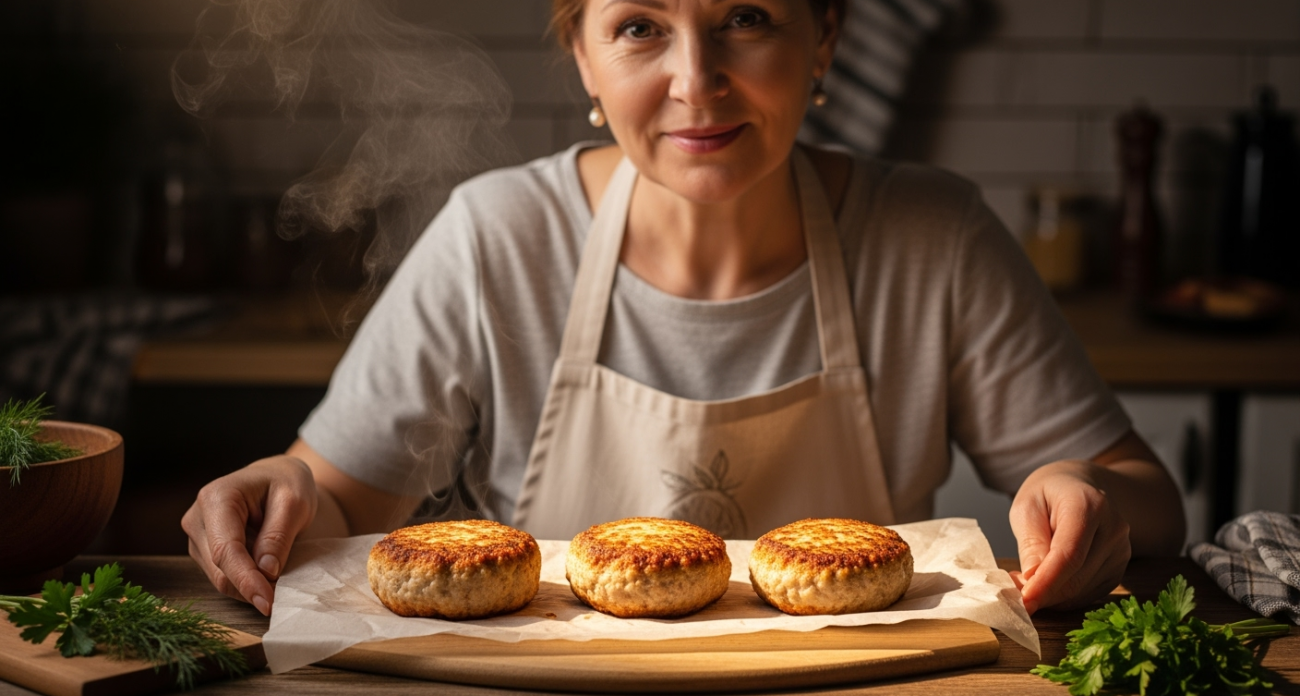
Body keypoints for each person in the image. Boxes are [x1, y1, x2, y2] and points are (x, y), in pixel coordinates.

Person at [182, 0, 1185, 619]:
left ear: (825, 37)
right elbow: (333, 507)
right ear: (582, 54)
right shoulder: (496, 236)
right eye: (638, 28)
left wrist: (1081, 488)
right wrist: (281, 489)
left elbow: (1150, 499)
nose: (696, 83)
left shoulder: (935, 237)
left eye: (746, 16)